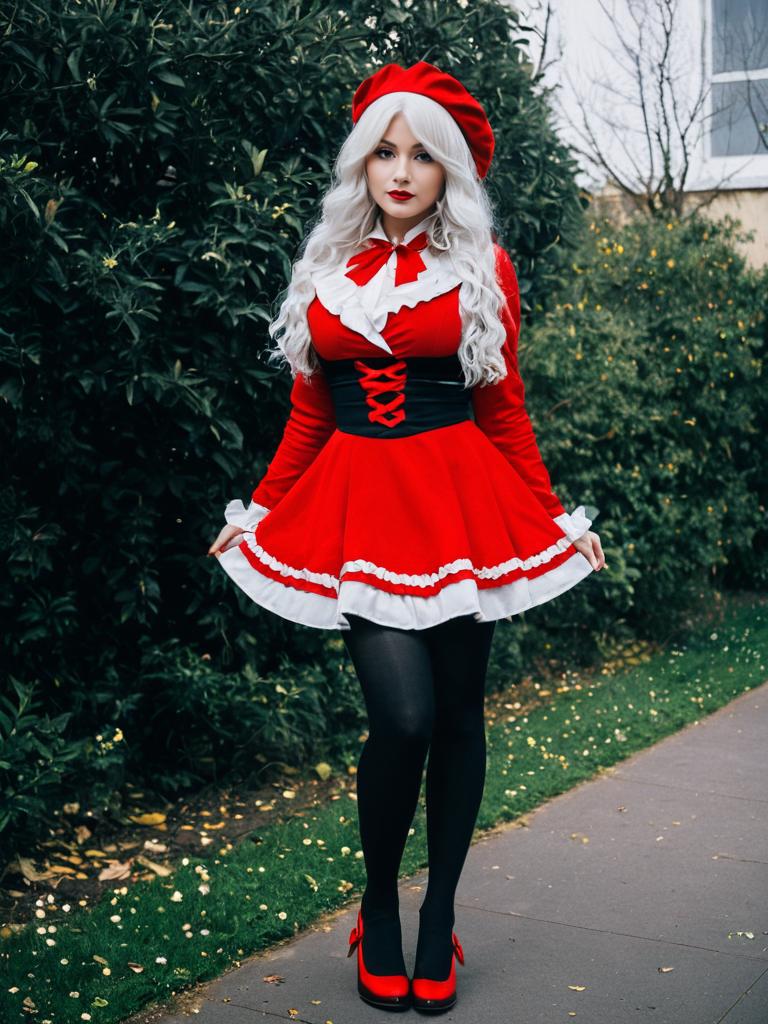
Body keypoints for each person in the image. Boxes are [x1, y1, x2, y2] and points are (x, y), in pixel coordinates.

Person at [208, 60, 605, 1014]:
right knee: (404, 720)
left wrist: (555, 518)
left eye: (423, 154)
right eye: (385, 150)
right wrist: (256, 513)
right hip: (359, 509)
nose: (400, 169)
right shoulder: (325, 271)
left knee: (460, 716)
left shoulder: (482, 267)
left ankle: (439, 922)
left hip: (463, 501)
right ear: (362, 164)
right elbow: (309, 415)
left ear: (449, 172)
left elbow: (504, 409)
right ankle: (378, 907)